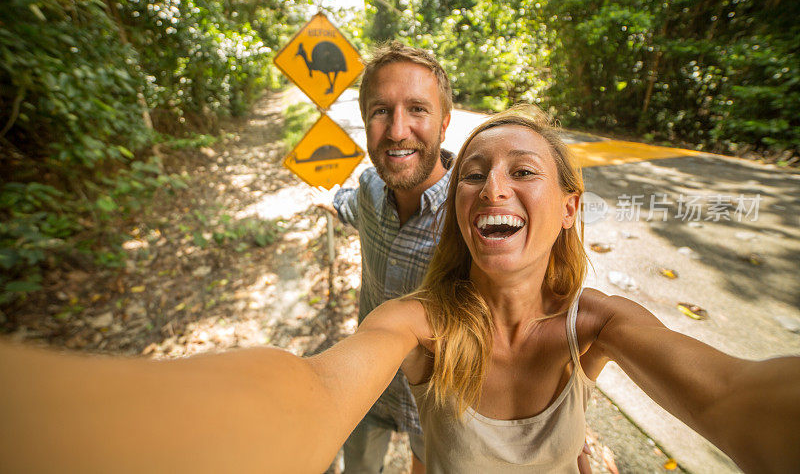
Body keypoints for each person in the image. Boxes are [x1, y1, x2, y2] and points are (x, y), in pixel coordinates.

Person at [2, 106, 799, 473]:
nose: (492, 186)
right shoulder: (420, 323)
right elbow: (310, 388)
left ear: (568, 207)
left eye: (524, 171)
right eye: (475, 173)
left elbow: (734, 394)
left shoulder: (601, 323)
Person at [330, 40, 453, 473]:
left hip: (441, 402)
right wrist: (326, 199)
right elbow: (346, 205)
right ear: (366, 123)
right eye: (381, 111)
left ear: (444, 123)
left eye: (418, 109)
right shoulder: (368, 189)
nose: (398, 130)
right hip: (368, 381)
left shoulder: (474, 215)